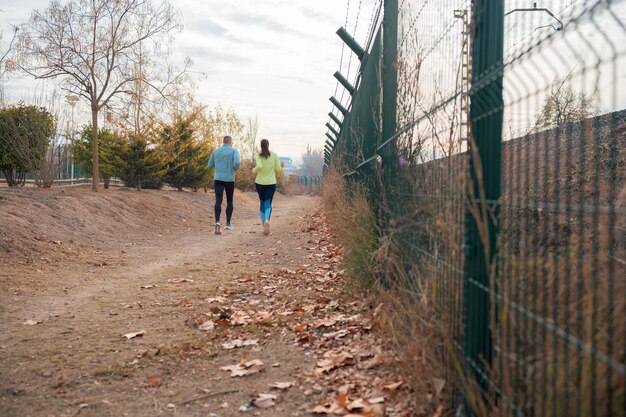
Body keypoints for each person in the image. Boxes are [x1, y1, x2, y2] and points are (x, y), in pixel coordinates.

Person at [208, 135, 241, 235]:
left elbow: (209, 165)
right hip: (229, 179)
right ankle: (228, 223)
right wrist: (234, 169)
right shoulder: (234, 151)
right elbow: (237, 163)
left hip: (218, 178)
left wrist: (218, 166)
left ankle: (217, 221)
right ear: (230, 142)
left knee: (218, 200)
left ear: (223, 142)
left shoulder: (216, 151)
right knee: (229, 200)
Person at [253, 139, 281, 235]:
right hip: (271, 182)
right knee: (268, 202)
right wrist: (273, 173)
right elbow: (278, 169)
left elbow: (259, 166)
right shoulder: (274, 155)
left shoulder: (258, 156)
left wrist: (254, 170)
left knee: (262, 202)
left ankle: (263, 223)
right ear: (268, 145)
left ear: (261, 146)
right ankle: (267, 220)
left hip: (259, 183)